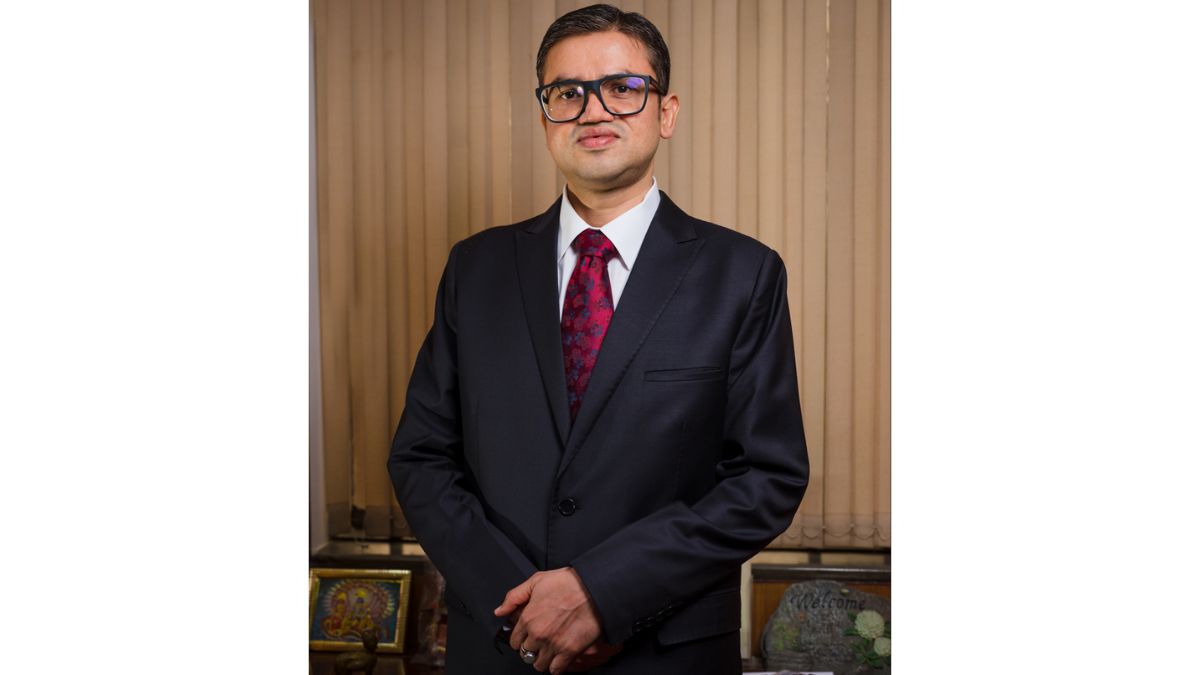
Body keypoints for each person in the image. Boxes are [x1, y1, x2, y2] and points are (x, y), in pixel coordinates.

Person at [387, 4, 808, 674]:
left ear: (666, 113)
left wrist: (603, 593)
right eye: (567, 92)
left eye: (622, 87)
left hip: (665, 653)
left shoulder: (743, 273)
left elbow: (766, 478)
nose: (593, 110)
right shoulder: (476, 268)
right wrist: (525, 607)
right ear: (545, 118)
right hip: (501, 645)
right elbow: (421, 458)